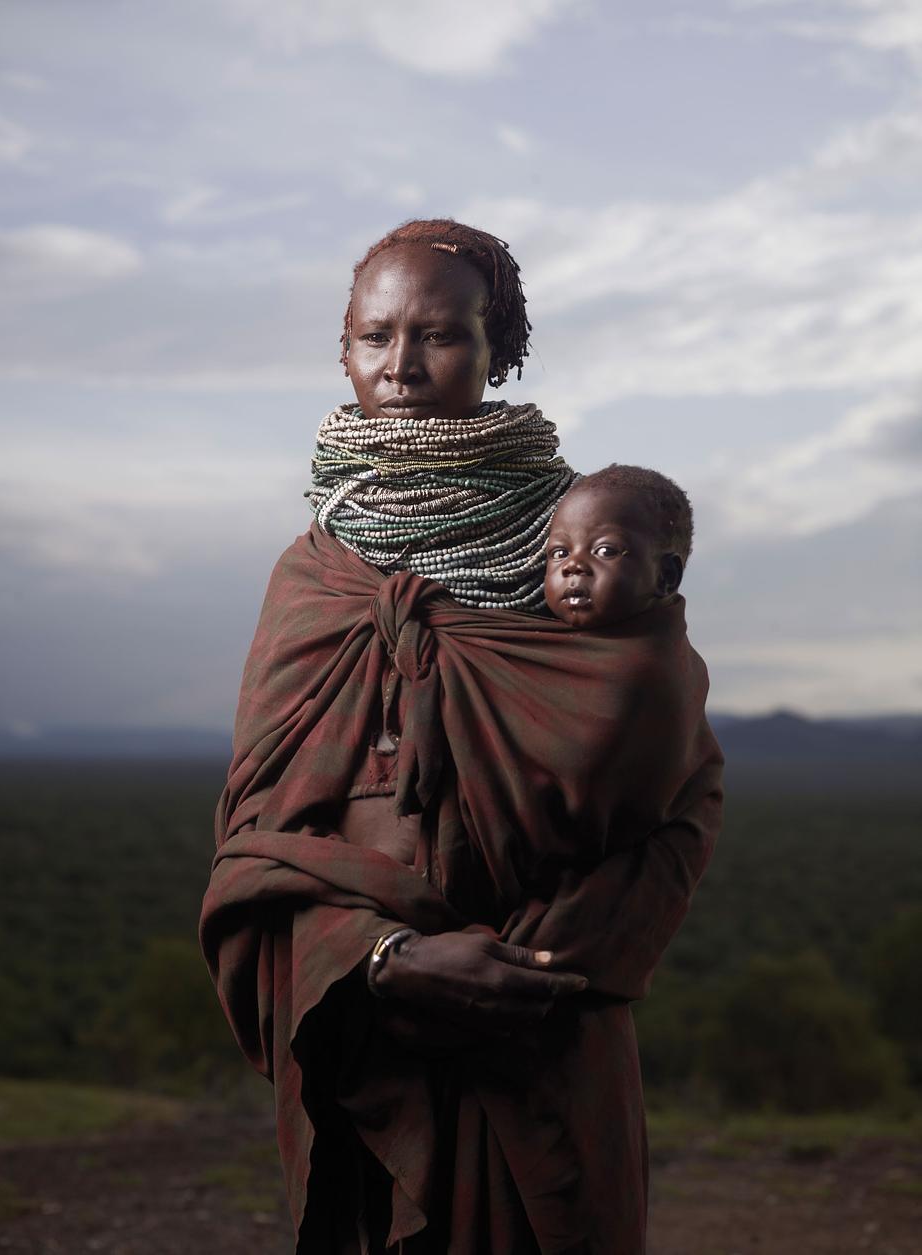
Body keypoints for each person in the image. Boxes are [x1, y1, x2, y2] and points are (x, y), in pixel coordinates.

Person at [200, 219, 723, 1254]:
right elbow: (257, 839)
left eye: (438, 335)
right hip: (365, 1023)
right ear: (343, 349)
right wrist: (383, 958)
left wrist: (539, 967)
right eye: (373, 336)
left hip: (536, 1018)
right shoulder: (314, 579)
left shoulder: (577, 545)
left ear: (500, 349)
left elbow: (680, 793)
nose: (399, 365)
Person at [543, 464, 691, 629]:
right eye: (560, 553)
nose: (572, 565)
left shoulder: (659, 654)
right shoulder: (526, 641)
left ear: (666, 575)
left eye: (605, 551)